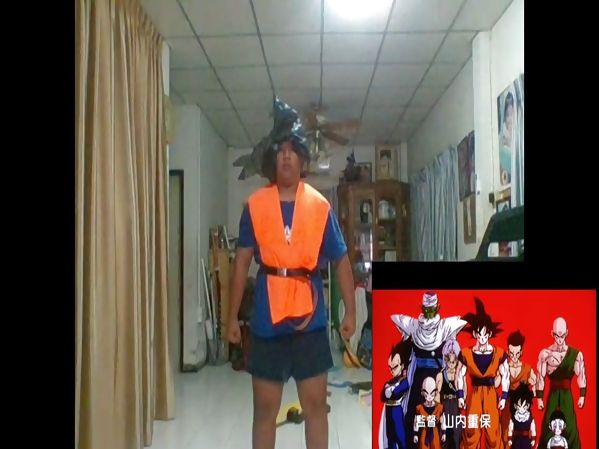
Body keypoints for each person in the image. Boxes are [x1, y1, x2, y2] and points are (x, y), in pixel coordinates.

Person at [227, 98, 356, 449]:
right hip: (266, 324)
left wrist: (350, 311)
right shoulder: (255, 205)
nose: (286, 156)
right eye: (280, 150)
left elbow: (341, 260)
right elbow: (241, 262)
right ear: (273, 159)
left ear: (302, 159)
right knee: (264, 412)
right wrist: (231, 318)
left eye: (292, 150)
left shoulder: (320, 206)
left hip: (309, 324)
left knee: (316, 410)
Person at [390, 292, 466, 449]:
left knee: (440, 418)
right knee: (413, 416)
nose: (429, 313)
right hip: (418, 377)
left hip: (438, 377)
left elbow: (461, 323)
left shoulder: (445, 327)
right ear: (422, 308)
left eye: (432, 309)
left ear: (437, 308)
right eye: (426, 310)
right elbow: (395, 318)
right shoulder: (414, 326)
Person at [456, 297, 510, 449]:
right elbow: (459, 375)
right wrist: (460, 395)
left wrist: (504, 397)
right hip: (473, 395)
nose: (482, 338)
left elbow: (505, 376)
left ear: (490, 334)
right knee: (471, 432)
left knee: (493, 433)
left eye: (485, 335)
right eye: (479, 335)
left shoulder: (499, 353)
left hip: (491, 395)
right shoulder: (466, 353)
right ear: (474, 334)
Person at [536, 318, 586, 449]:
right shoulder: (545, 354)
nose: (559, 339)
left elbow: (581, 375)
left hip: (566, 395)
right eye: (556, 336)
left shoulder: (575, 354)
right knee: (548, 425)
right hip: (552, 394)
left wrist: (582, 395)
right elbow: (540, 377)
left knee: (569, 425)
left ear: (566, 333)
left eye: (562, 335)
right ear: (552, 333)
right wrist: (539, 398)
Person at [499, 330, 537, 448]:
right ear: (507, 351)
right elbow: (496, 383)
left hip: (522, 406)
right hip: (508, 405)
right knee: (506, 434)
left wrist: (532, 393)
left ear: (521, 352)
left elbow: (536, 383)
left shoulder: (527, 369)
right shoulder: (504, 368)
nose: (514, 357)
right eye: (511, 353)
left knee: (524, 435)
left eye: (517, 353)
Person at [380, 340, 412, 449]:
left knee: (401, 439)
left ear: (402, 366)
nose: (392, 370)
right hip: (389, 412)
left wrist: (390, 391)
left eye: (395, 367)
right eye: (390, 368)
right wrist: (389, 391)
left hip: (396, 411)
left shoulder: (403, 381)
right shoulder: (389, 382)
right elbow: (382, 396)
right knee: (390, 440)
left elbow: (396, 392)